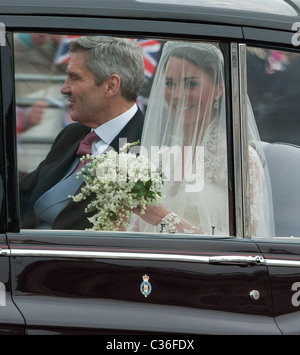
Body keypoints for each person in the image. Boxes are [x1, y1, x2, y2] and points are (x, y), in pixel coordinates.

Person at [130, 41, 274, 236]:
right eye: (170, 84)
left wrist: (163, 217)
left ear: (219, 89)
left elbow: (246, 245)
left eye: (191, 84)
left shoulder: (240, 161)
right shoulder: (160, 158)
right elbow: (136, 231)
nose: (177, 95)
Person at [19, 36, 145, 229]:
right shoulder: (72, 134)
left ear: (111, 85)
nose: (64, 89)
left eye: (75, 78)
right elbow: (21, 195)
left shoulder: (148, 145)